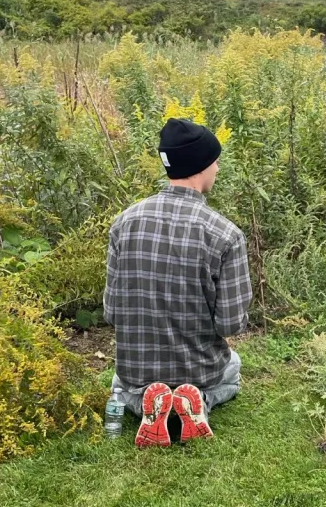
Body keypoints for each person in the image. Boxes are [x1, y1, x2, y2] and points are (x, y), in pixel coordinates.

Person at [104, 117, 253, 447]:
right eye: (215, 161)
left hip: (137, 373)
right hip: (199, 369)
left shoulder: (123, 223)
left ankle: (146, 402)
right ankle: (197, 399)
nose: (217, 168)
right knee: (233, 368)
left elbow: (112, 312)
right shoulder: (226, 235)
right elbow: (230, 324)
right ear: (201, 166)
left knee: (120, 383)